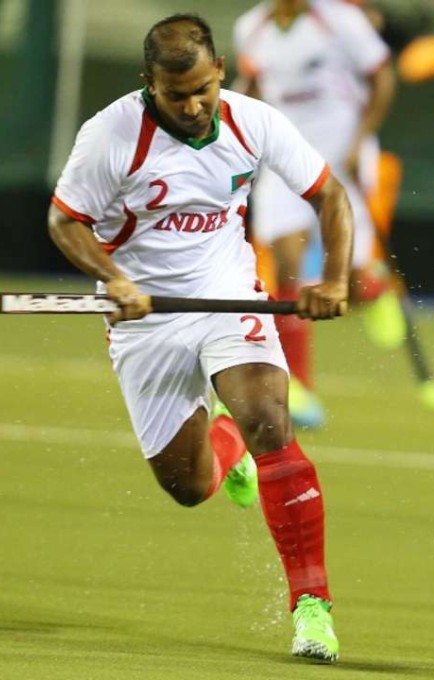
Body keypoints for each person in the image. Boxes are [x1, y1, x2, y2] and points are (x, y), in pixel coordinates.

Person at [47, 14, 352, 662]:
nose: (190, 108)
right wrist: (116, 278)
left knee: (269, 419)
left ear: (220, 71)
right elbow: (65, 222)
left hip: (226, 293)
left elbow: (330, 196)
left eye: (201, 92)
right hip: (144, 317)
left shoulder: (253, 122)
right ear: (149, 83)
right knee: (187, 486)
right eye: (174, 95)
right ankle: (226, 446)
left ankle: (312, 608)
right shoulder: (110, 135)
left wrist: (335, 278)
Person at [233, 0, 398, 428]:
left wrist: (361, 142)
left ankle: (373, 291)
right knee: (287, 268)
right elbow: (252, 87)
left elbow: (383, 79)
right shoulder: (251, 28)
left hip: (340, 153)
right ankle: (299, 387)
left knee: (347, 280)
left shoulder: (342, 20)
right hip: (283, 158)